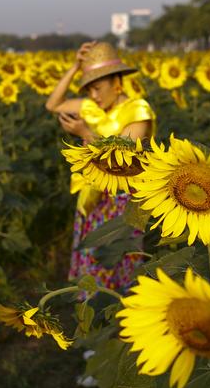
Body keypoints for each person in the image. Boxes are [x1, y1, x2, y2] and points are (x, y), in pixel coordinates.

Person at [45, 41, 155, 293]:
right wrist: (75, 67)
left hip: (125, 198)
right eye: (89, 89)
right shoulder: (91, 108)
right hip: (94, 197)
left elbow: (123, 157)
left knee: (119, 254)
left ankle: (120, 313)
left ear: (116, 81)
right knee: (94, 254)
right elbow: (53, 105)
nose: (93, 95)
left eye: (97, 87)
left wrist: (86, 133)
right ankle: (93, 306)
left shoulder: (137, 111)